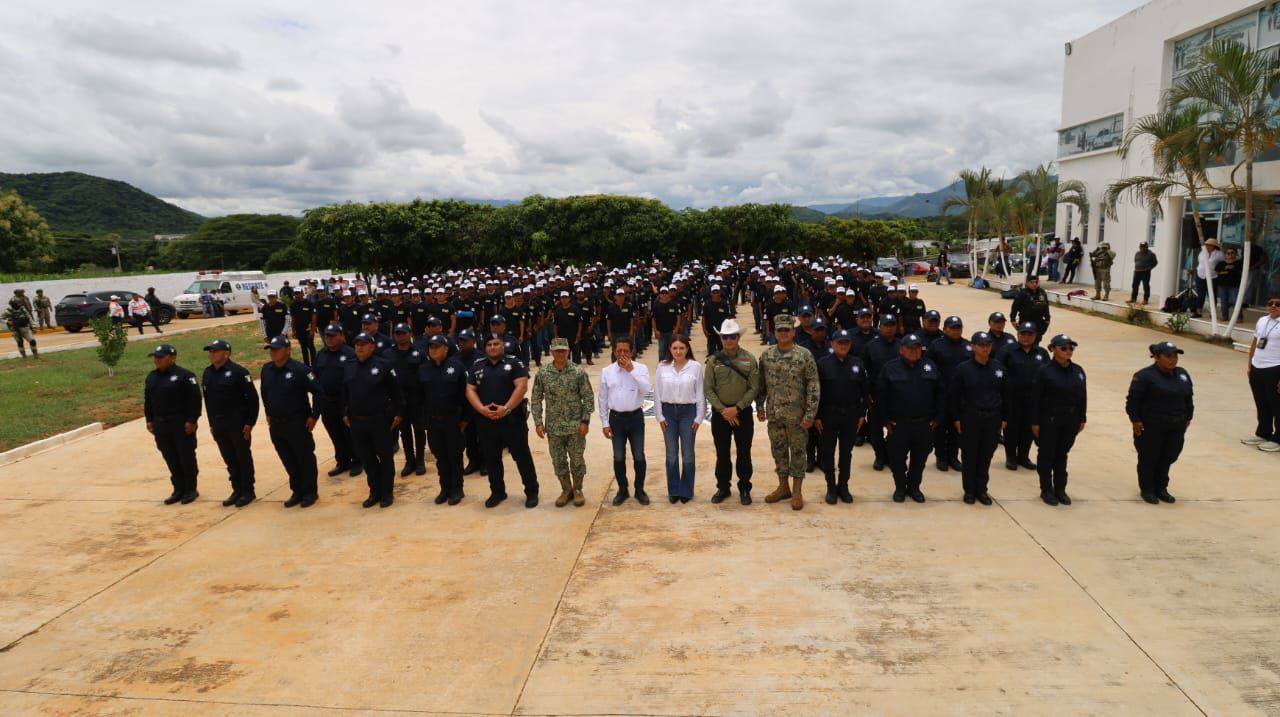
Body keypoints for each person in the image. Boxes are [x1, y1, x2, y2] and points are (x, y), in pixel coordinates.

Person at [466, 334, 540, 508]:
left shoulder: (514, 363)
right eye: (489, 344)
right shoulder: (477, 366)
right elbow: (470, 389)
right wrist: (481, 409)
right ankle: (497, 492)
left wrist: (506, 409)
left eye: (496, 344)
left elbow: (522, 386)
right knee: (492, 459)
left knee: (522, 457)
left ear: (503, 346)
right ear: (485, 348)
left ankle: (531, 491)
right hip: (487, 421)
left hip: (512, 421)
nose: (493, 347)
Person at [756, 314, 820, 510]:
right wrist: (760, 407)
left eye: (787, 330)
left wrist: (810, 414)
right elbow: (761, 386)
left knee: (798, 453)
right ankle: (783, 487)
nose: (783, 333)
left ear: (793, 332)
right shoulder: (766, 356)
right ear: (774, 333)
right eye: (779, 330)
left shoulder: (804, 355)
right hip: (775, 416)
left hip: (798, 417)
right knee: (779, 451)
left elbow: (813, 386)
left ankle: (797, 491)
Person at [874, 333, 943, 503]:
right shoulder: (890, 368)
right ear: (901, 349)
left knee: (919, 459)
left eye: (917, 348)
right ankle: (900, 487)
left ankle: (914, 487)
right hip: (899, 425)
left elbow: (941, 393)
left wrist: (938, 417)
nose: (914, 351)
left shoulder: (930, 366)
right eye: (910, 348)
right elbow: (881, 396)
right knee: (897, 459)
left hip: (923, 424)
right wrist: (885, 420)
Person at [260, 335, 324, 508]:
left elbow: (318, 392)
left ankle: (310, 492)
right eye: (271, 349)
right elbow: (264, 393)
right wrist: (267, 412)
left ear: (288, 350)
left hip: (297, 422)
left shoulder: (301, 370)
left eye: (277, 349)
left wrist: (314, 416)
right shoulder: (266, 369)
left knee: (304, 458)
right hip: (276, 424)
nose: (273, 352)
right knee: (288, 458)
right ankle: (297, 490)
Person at [1126, 342, 1193, 505]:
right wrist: (1135, 420)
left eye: (1175, 356)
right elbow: (1132, 401)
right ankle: (1147, 489)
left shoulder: (1182, 374)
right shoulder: (1144, 376)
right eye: (1168, 356)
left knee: (1169, 456)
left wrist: (1188, 418)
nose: (1173, 360)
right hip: (1152, 426)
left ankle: (1161, 488)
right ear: (1157, 357)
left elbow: (1188, 398)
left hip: (1176, 425)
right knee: (1149, 458)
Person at [530, 337, 595, 507]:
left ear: (568, 352)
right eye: (557, 350)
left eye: (563, 350)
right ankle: (566, 489)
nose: (560, 353)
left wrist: (585, 421)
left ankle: (578, 489)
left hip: (575, 426)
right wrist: (538, 422)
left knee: (577, 459)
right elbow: (536, 399)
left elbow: (588, 397)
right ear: (551, 352)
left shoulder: (578, 372)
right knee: (558, 460)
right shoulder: (543, 373)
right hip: (554, 427)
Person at [343, 332, 405, 508]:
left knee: (385, 458)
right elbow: (345, 392)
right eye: (357, 344)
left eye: (364, 344)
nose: (360, 347)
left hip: (379, 420)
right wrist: (344, 413)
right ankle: (374, 491)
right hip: (357, 422)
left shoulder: (384, 365)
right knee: (367, 459)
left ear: (372, 346)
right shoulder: (349, 366)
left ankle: (387, 493)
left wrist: (399, 414)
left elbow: (397, 393)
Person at [704, 318, 759, 505]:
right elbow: (708, 389)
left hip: (742, 412)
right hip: (721, 415)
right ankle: (723, 487)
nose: (728, 340)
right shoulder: (713, 361)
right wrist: (723, 410)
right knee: (722, 453)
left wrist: (737, 408)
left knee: (744, 452)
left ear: (738, 338)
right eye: (725, 336)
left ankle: (744, 487)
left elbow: (754, 388)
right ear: (721, 338)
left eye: (732, 336)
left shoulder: (749, 359)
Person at [1030, 334, 1087, 506]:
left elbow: (1082, 396)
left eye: (1071, 348)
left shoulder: (1078, 371)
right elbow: (1035, 399)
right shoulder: (1044, 371)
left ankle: (1060, 489)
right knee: (1047, 455)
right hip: (1050, 420)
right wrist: (1035, 422)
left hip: (1070, 420)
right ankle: (1046, 489)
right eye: (1063, 348)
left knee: (1062, 455)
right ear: (1053, 349)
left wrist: (1082, 417)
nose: (1068, 351)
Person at [201, 339, 259, 507]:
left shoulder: (239, 372)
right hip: (219, 425)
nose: (211, 354)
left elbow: (253, 400)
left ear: (226, 354)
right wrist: (211, 423)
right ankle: (236, 489)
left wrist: (250, 423)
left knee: (242, 458)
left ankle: (248, 491)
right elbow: (208, 401)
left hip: (238, 424)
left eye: (215, 351)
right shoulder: (207, 373)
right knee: (229, 459)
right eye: (210, 351)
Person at [815, 328, 870, 504]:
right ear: (832, 344)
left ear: (850, 345)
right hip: (828, 416)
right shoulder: (822, 364)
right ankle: (831, 487)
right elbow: (815, 393)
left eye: (846, 343)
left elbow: (865, 391)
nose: (843, 346)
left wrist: (862, 414)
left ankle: (843, 486)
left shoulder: (858, 364)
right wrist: (816, 416)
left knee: (846, 453)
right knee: (828, 453)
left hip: (851, 416)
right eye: (839, 343)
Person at [950, 332, 1005, 505]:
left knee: (986, 456)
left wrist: (1004, 418)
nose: (985, 348)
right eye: (981, 345)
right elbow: (954, 396)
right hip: (970, 418)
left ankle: (982, 489)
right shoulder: (963, 369)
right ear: (973, 346)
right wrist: (956, 418)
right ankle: (969, 490)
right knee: (970, 456)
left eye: (988, 345)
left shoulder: (998, 368)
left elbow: (1006, 394)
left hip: (992, 419)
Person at [144, 344, 202, 504]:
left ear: (173, 358)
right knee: (170, 457)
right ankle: (178, 489)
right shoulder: (151, 377)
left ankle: (191, 489)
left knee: (186, 456)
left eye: (160, 357)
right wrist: (149, 420)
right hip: (161, 425)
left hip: (181, 425)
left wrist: (192, 420)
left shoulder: (185, 376)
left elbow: (195, 400)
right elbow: (148, 401)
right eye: (155, 357)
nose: (157, 360)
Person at [598, 335, 651, 505]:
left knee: (639, 456)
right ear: (614, 351)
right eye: (619, 351)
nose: (622, 354)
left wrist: (631, 370)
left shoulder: (641, 368)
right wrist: (605, 423)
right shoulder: (607, 371)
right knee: (619, 457)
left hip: (635, 417)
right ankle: (623, 489)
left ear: (632, 352)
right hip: (616, 419)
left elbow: (646, 389)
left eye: (626, 351)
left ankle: (639, 489)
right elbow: (602, 400)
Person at [654, 334, 704, 503]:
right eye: (675, 348)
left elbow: (700, 393)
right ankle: (674, 490)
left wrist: (698, 418)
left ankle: (686, 490)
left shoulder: (695, 367)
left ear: (687, 349)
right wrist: (659, 415)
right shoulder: (662, 366)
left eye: (682, 348)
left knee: (688, 454)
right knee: (671, 455)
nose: (678, 351)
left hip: (688, 413)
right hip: (668, 412)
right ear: (669, 349)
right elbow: (657, 393)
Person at [419, 334, 468, 504]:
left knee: (455, 456)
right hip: (433, 421)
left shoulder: (457, 367)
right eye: (431, 347)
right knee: (440, 457)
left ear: (446, 349)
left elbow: (466, 395)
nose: (433, 350)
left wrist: (465, 420)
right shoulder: (424, 369)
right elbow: (421, 397)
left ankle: (457, 489)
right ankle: (444, 488)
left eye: (437, 346)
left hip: (452, 420)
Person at [996, 321, 1049, 470]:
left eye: (1029, 334)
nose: (1026, 337)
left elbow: (1048, 374)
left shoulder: (1042, 353)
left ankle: (1024, 456)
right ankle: (1011, 457)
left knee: (1028, 429)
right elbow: (998, 372)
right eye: (1023, 334)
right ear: (1018, 334)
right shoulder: (1007, 351)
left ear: (1035, 336)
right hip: (1012, 398)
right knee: (1011, 429)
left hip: (1033, 399)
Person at [312, 324, 362, 477]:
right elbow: (315, 378)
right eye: (327, 336)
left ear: (341, 336)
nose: (330, 339)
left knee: (350, 433)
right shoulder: (320, 354)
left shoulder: (350, 354)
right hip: (327, 402)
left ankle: (358, 461)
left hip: (345, 401)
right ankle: (342, 461)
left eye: (333, 335)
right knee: (335, 433)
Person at [928, 316, 971, 473]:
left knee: (957, 428)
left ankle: (953, 456)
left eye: (958, 327)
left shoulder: (968, 346)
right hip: (942, 394)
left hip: (961, 396)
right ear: (945, 329)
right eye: (952, 327)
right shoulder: (936, 345)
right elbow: (929, 367)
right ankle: (941, 457)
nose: (955, 330)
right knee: (940, 427)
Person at [387, 323, 426, 476]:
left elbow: (425, 375)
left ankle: (420, 460)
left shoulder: (420, 353)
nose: (400, 336)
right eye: (397, 333)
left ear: (410, 334)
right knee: (404, 431)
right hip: (398, 399)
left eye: (403, 333)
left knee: (419, 429)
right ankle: (409, 461)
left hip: (416, 398)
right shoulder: (388, 354)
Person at [1244, 295, 1280, 452]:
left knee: (1277, 405)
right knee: (1262, 403)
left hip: (1275, 368)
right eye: (1270, 303)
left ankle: (1278, 439)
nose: (1273, 306)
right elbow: (1255, 343)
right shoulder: (1262, 321)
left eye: (1278, 304)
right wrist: (1250, 365)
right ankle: (1263, 433)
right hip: (1257, 367)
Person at [1190, 238, 1223, 318]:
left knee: (1212, 295)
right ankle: (1198, 311)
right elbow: (1200, 263)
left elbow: (1222, 264)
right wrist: (1194, 269)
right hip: (1200, 275)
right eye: (1206, 244)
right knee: (1200, 294)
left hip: (1212, 277)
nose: (1207, 246)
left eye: (1208, 244)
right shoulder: (1202, 253)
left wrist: (1220, 271)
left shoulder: (1219, 254)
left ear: (1213, 246)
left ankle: (1213, 313)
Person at [1009, 275, 1051, 339]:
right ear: (1027, 283)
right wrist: (1013, 319)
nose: (1034, 284)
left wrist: (1047, 318)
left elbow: (1045, 306)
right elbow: (1015, 307)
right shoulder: (1022, 293)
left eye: (1036, 282)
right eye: (1032, 282)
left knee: (1037, 340)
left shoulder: (1042, 292)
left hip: (1039, 322)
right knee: (1025, 340)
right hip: (1025, 321)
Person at [3, 293, 38, 358]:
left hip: (25, 328)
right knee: (20, 342)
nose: (18, 305)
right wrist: (7, 321)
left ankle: (35, 355)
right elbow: (1, 318)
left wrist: (33, 326)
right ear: (12, 304)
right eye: (17, 303)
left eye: (19, 303)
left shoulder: (22, 309)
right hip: (15, 329)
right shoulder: (8, 311)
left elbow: (29, 317)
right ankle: (24, 356)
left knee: (32, 341)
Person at [1215, 246, 1243, 322]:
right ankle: (1225, 317)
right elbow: (1217, 270)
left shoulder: (1239, 263)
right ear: (1225, 255)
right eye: (1228, 253)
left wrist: (1224, 271)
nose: (1230, 255)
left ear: (1235, 254)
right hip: (1222, 285)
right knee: (1223, 302)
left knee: (1235, 301)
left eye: (1232, 253)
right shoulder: (1221, 263)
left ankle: (1239, 317)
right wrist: (1226, 269)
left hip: (1234, 285)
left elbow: (1237, 271)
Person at [291, 288, 317, 366]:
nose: (297, 295)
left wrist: (312, 329)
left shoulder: (309, 303)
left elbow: (314, 317)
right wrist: (293, 331)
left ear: (302, 294)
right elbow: (293, 319)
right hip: (299, 330)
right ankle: (307, 366)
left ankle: (314, 365)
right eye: (295, 293)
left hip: (308, 330)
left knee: (311, 347)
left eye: (298, 293)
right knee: (303, 348)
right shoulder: (293, 305)